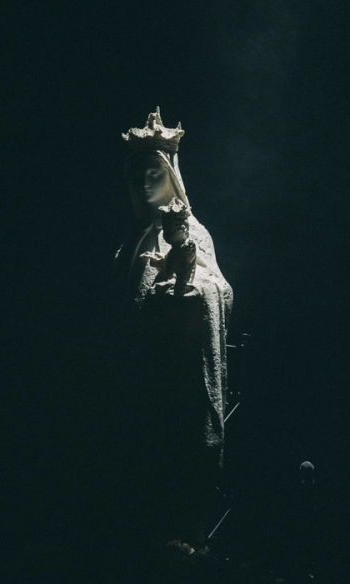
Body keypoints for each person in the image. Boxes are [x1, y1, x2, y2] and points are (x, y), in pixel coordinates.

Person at [113, 108, 233, 549]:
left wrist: (182, 278)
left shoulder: (191, 232)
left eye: (153, 173)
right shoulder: (133, 237)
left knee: (177, 471)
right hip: (140, 372)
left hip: (178, 374)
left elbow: (217, 291)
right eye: (138, 175)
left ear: (170, 176)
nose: (146, 183)